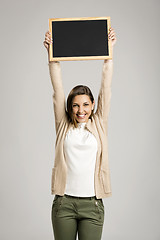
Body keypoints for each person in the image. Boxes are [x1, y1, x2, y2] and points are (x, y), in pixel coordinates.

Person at [43, 26, 117, 240]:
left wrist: (109, 55)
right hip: (64, 204)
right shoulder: (63, 125)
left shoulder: (99, 124)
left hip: (92, 205)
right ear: (69, 108)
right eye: (75, 105)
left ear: (93, 105)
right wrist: (52, 56)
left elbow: (106, 88)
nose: (81, 110)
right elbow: (57, 90)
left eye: (85, 104)